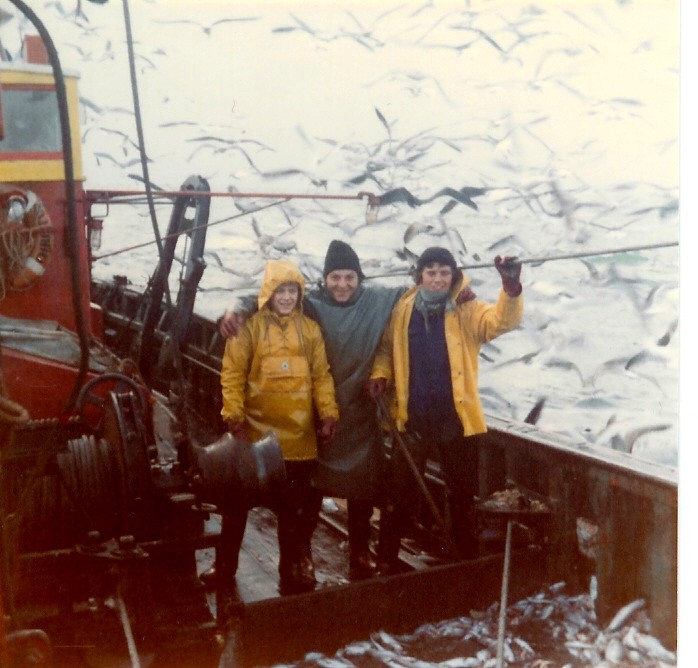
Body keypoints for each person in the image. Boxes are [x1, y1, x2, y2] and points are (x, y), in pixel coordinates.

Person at [219, 240, 406, 579]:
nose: (343, 284)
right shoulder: (311, 304)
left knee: (362, 487)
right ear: (324, 280)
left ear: (360, 278)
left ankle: (359, 552)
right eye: (335, 277)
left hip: (357, 409)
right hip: (305, 417)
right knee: (308, 492)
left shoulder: (374, 301)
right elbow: (263, 297)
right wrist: (235, 308)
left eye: (350, 277)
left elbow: (423, 285)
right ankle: (298, 555)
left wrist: (380, 373)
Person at [365, 247, 523, 574]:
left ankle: (461, 560)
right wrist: (380, 374)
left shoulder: (465, 308)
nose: (437, 278)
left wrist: (510, 289)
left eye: (444, 272)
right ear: (419, 275)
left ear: (453, 275)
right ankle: (386, 560)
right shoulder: (402, 310)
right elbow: (385, 349)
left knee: (461, 494)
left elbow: (500, 322)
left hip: (454, 419)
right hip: (413, 417)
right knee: (401, 491)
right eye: (431, 271)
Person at [219, 258, 339, 595]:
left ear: (299, 295)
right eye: (280, 290)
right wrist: (235, 419)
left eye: (292, 291)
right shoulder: (248, 328)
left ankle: (292, 570)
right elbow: (232, 375)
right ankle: (224, 566)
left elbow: (321, 376)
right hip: (256, 439)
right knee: (236, 508)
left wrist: (328, 413)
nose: (286, 297)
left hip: (298, 442)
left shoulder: (311, 331)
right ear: (268, 293)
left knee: (292, 515)